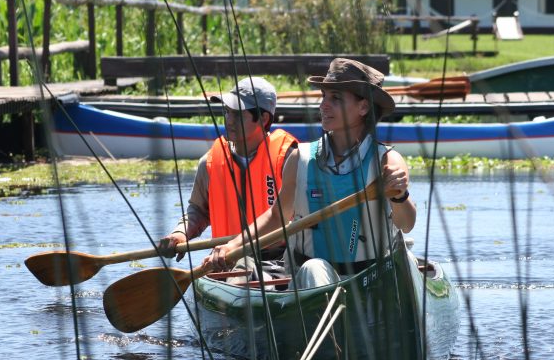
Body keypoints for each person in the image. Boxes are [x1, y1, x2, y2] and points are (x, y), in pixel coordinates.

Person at [203, 58, 416, 288]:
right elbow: (277, 217)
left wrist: (399, 196)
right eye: (324, 96)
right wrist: (232, 246)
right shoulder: (300, 158)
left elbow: (406, 224)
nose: (323, 105)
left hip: (370, 281)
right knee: (315, 268)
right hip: (308, 281)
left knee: (406, 259)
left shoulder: (387, 160)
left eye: (336, 99)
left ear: (363, 107)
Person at [160, 77, 298, 281]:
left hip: (278, 259)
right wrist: (181, 234)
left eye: (238, 114)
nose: (229, 120)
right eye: (226, 112)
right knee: (242, 268)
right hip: (224, 260)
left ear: (264, 119)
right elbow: (197, 211)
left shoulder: (288, 158)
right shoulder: (209, 163)